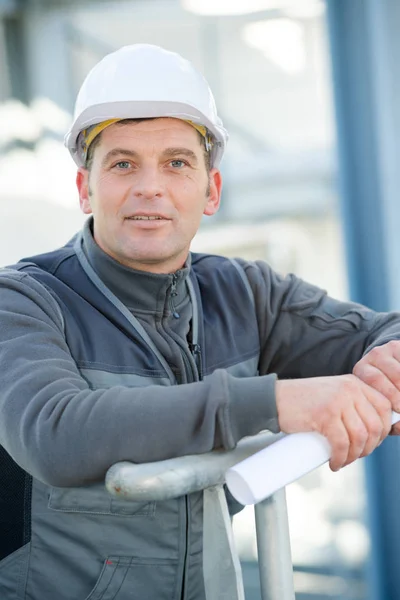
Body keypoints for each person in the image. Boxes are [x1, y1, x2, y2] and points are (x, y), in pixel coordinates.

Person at [0, 43, 400, 600]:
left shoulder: (246, 294)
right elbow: (54, 431)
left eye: (177, 162)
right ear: (84, 188)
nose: (150, 187)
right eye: (121, 163)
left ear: (210, 190)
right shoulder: (23, 301)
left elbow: (380, 330)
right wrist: (276, 403)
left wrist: (389, 365)